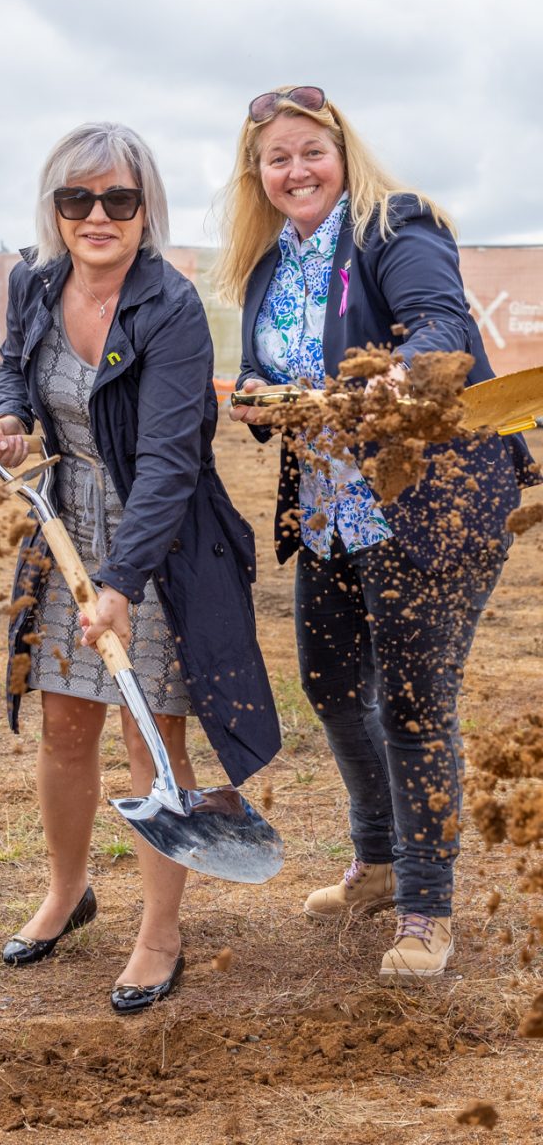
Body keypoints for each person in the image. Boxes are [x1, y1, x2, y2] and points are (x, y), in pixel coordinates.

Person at [218, 85, 537, 982]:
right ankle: (380, 861)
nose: (297, 170)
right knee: (329, 686)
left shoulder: (394, 224)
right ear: (257, 174)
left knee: (413, 703)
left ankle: (427, 907)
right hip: (331, 514)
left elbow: (441, 327)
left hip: (430, 504)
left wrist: (399, 374)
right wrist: (257, 397)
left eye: (311, 151)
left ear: (342, 153)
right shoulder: (268, 265)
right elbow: (272, 369)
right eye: (277, 158)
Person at [0, 122, 280, 1013]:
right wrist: (8, 420)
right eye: (78, 198)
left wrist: (119, 584)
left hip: (161, 542)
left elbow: (169, 463)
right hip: (64, 524)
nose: (97, 216)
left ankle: (159, 933)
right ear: (57, 208)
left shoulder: (170, 307)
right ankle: (67, 893)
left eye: (119, 198)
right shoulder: (34, 283)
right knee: (65, 724)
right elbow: (13, 370)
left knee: (153, 736)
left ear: (146, 209)